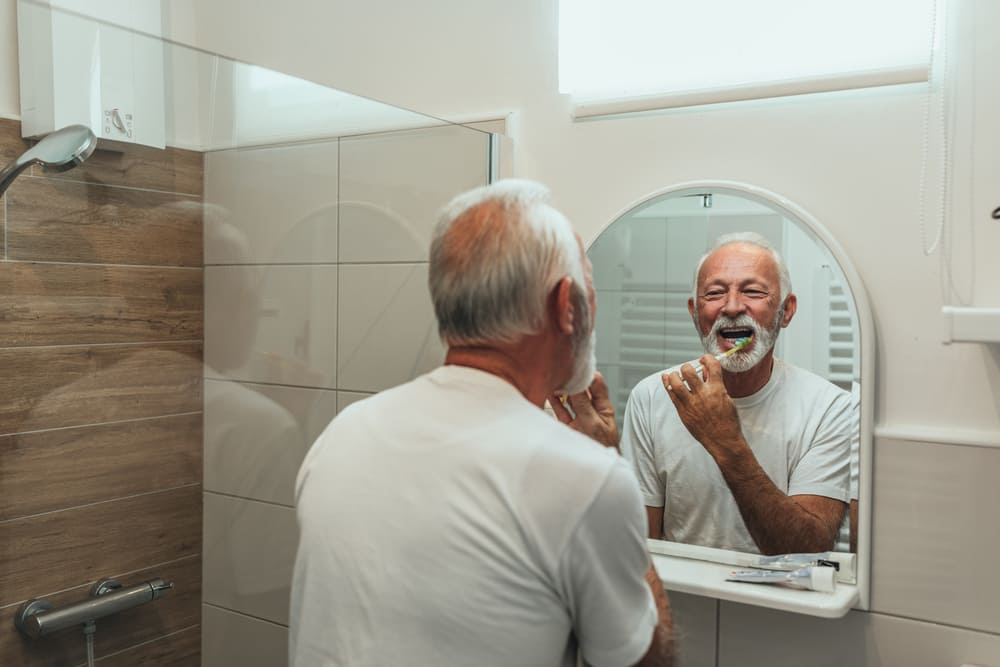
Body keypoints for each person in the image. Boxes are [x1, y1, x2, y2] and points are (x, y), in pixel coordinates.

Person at [289, 179, 673, 667]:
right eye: (590, 287)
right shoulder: (582, 477)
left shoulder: (344, 434)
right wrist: (604, 460)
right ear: (564, 305)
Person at [620, 231, 852, 555]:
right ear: (694, 312)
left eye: (753, 291)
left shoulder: (830, 408)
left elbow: (806, 548)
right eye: (714, 293)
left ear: (786, 311)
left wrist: (726, 443)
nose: (731, 307)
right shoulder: (652, 396)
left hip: (779, 606)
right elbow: (639, 548)